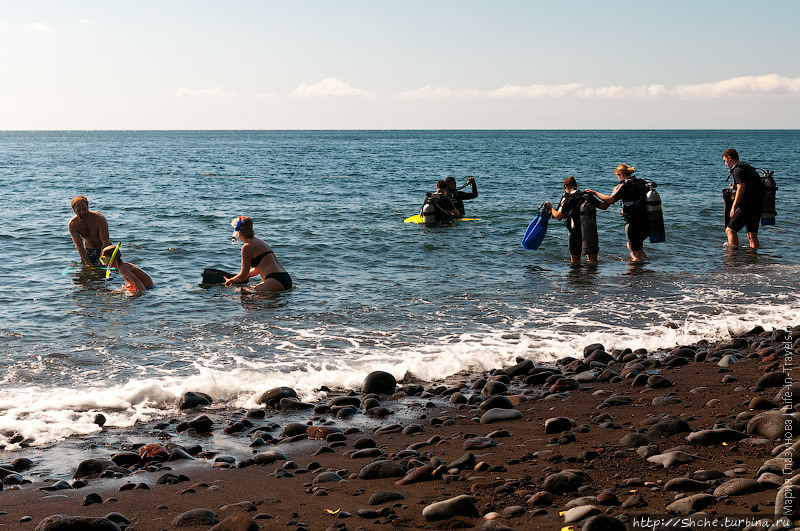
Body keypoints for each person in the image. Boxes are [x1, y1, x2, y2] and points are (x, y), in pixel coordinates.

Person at [585, 164, 650, 262]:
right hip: (646, 220)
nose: (618, 178)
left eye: (618, 175)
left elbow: (610, 200)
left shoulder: (625, 185)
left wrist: (595, 193)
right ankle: (648, 268)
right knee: (635, 246)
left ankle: (634, 275)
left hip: (633, 221)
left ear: (622, 174)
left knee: (635, 252)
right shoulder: (641, 183)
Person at [545, 176, 608, 264]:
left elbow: (559, 216)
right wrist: (595, 193)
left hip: (575, 231)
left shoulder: (568, 198)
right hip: (589, 231)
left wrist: (550, 207)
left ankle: (576, 277)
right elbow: (604, 206)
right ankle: (592, 276)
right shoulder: (587, 196)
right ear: (576, 185)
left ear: (566, 187)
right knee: (593, 261)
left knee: (575, 262)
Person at [224, 216, 292, 292]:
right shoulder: (261, 242)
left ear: (238, 232)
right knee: (251, 291)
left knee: (241, 293)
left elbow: (243, 275)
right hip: (286, 279)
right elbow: (257, 270)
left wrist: (230, 281)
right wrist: (236, 277)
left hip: (274, 280)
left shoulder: (247, 247)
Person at [723, 148, 762, 249]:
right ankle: (754, 261)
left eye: (725, 161)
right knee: (751, 235)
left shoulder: (738, 170)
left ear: (729, 158)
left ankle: (733, 258)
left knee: (730, 230)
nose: (725, 164)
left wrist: (733, 207)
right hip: (757, 206)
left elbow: (741, 188)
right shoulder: (748, 168)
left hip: (746, 207)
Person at [68, 196, 111, 266]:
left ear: (88, 206)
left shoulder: (99, 219)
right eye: (78, 210)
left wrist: (101, 261)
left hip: (105, 249)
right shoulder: (73, 225)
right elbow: (79, 247)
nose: (82, 212)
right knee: (87, 273)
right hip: (89, 251)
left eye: (84, 209)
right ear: (74, 210)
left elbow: (105, 241)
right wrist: (88, 263)